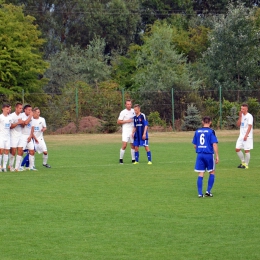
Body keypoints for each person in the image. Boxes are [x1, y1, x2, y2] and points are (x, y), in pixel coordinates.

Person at [192, 116, 219, 198]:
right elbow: (214, 144)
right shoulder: (211, 131)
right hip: (209, 155)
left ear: (202, 122)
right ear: (210, 122)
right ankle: (208, 191)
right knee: (212, 172)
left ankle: (200, 194)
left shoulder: (197, 131)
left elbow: (195, 145)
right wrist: (217, 155)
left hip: (200, 155)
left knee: (201, 173)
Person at [14, 104, 36, 171]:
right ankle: (17, 167)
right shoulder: (22, 115)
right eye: (29, 110)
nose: (30, 111)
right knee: (20, 151)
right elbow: (25, 123)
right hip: (22, 135)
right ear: (25, 110)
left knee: (32, 151)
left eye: (31, 110)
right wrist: (29, 117)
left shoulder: (31, 117)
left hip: (29, 136)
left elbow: (32, 127)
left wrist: (31, 136)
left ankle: (31, 167)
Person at [117, 99, 136, 164]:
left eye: (130, 104)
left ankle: (133, 160)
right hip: (125, 131)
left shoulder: (134, 111)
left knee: (133, 145)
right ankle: (121, 159)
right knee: (124, 145)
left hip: (132, 131)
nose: (129, 105)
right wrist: (127, 121)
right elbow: (118, 121)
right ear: (125, 105)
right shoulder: (123, 112)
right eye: (128, 104)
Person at [235, 103, 253, 169]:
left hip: (247, 136)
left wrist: (246, 135)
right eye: (241, 109)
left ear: (246, 109)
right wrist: (240, 117)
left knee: (246, 150)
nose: (241, 110)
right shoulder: (241, 115)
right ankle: (243, 162)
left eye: (243, 109)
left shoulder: (249, 116)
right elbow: (238, 125)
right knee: (237, 149)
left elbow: (250, 126)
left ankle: (246, 165)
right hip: (241, 136)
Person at [9, 102, 24, 171]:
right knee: (13, 151)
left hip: (20, 135)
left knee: (20, 150)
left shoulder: (22, 115)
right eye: (20, 108)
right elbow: (11, 126)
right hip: (13, 135)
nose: (21, 109)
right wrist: (17, 122)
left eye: (21, 108)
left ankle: (17, 167)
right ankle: (10, 165)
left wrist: (22, 123)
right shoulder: (12, 116)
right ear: (16, 108)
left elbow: (23, 126)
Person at [0, 104, 12, 172]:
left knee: (7, 151)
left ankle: (4, 167)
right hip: (1, 136)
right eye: (7, 109)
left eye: (8, 109)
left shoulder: (10, 118)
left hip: (8, 137)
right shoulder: (0, 117)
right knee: (1, 151)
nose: (8, 110)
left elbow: (10, 126)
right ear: (3, 109)